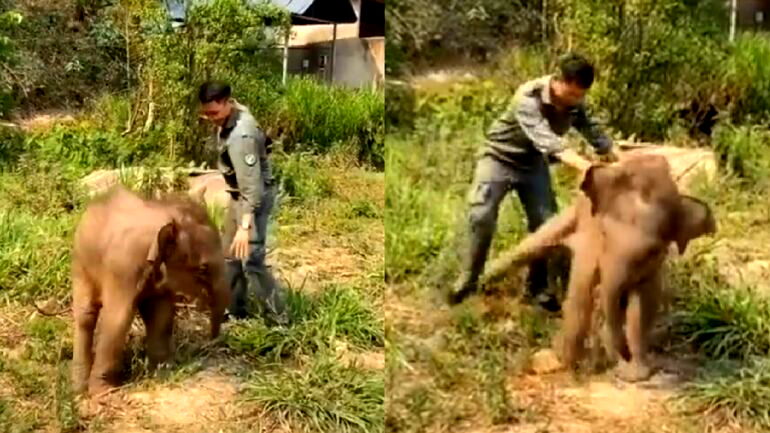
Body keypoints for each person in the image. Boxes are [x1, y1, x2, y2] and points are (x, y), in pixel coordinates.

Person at [448, 53, 616, 311]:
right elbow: (547, 141)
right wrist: (587, 167)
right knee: (481, 216)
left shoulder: (574, 102)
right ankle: (468, 281)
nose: (576, 101)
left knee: (546, 224)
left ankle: (536, 289)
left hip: (533, 165)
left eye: (580, 96)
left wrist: (612, 153)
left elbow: (590, 127)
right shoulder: (527, 97)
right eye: (572, 94)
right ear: (558, 80)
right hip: (499, 159)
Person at [198, 81, 288, 325]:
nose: (211, 118)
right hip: (239, 194)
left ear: (227, 103)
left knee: (252, 260)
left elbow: (253, 188)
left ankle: (280, 318)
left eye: (214, 113)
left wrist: (245, 227)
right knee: (229, 254)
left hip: (254, 198)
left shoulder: (242, 136)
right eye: (206, 113)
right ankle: (235, 309)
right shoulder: (232, 113)